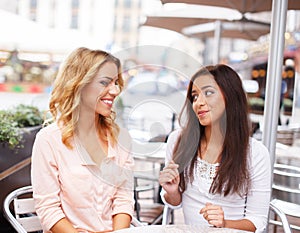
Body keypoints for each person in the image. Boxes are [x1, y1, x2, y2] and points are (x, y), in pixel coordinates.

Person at [31, 47, 134, 233]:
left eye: (116, 83)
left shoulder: (120, 140)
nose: (115, 90)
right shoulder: (48, 141)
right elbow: (48, 209)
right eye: (105, 82)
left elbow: (123, 200)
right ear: (79, 84)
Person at [159, 64, 271, 233]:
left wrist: (225, 223)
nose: (199, 103)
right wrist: (172, 191)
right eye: (194, 96)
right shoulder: (177, 141)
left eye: (208, 93)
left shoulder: (255, 153)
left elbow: (258, 221)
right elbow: (175, 202)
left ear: (230, 96)